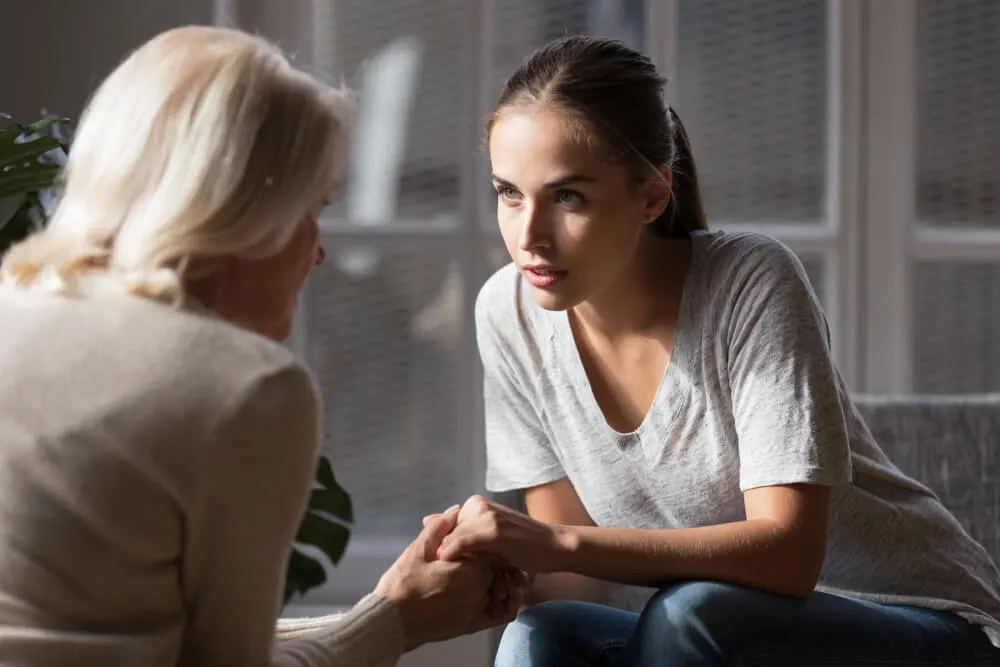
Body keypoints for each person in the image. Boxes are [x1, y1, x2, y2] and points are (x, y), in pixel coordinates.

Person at [434, 35, 1000, 666]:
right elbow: (574, 572)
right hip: (716, 637)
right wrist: (483, 572)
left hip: (920, 625)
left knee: (689, 613)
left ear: (651, 195)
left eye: (568, 196)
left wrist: (558, 542)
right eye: (509, 193)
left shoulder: (751, 282)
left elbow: (788, 556)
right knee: (542, 636)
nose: (529, 235)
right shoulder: (507, 312)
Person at [0, 25, 520, 667]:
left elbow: (149, 634)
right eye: (313, 209)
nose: (319, 249)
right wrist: (397, 624)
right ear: (240, 211)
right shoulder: (245, 386)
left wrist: (385, 607)